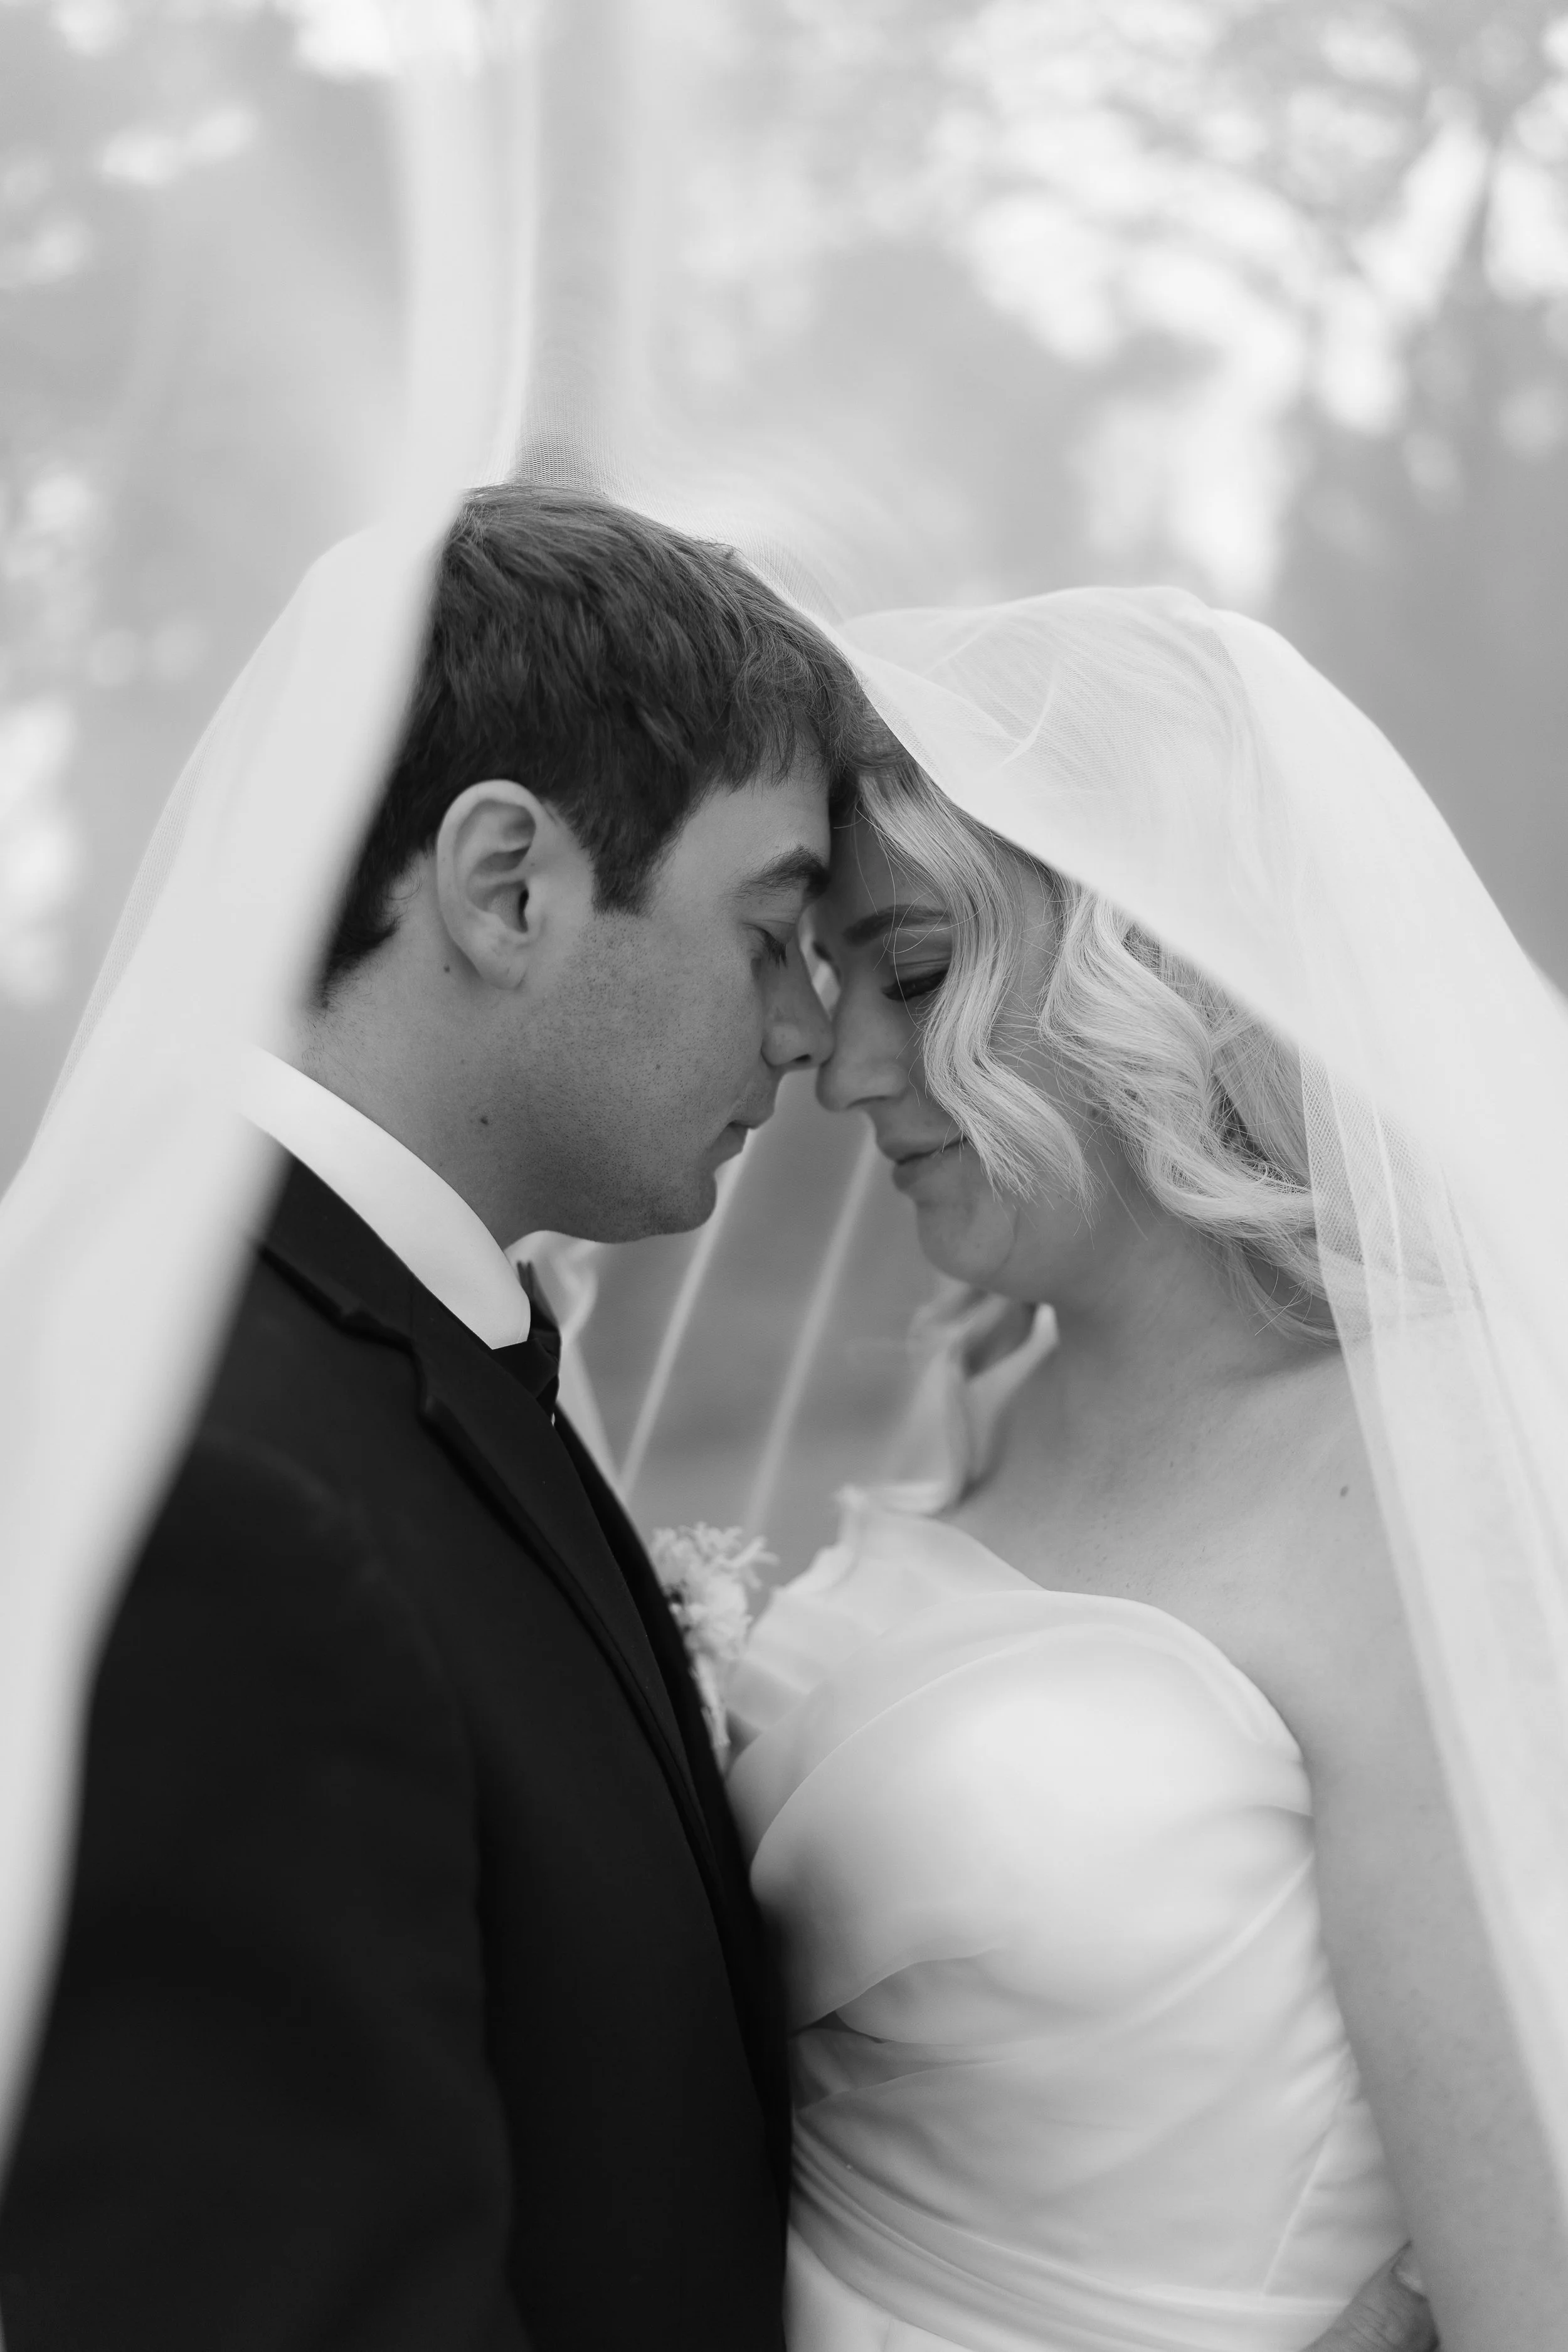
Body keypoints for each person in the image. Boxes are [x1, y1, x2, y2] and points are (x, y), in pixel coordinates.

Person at [0, 502, 1433, 2352]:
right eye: (774, 934)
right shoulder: (238, 1481)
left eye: (876, 964)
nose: (810, 1046)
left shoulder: (393, 1353)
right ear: (508, 883)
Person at [727, 585, 1567, 2351]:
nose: (845, 1068)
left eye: (914, 974)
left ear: (1141, 972)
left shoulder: (1417, 1471)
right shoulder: (993, 1377)